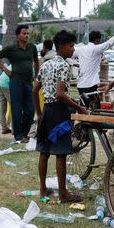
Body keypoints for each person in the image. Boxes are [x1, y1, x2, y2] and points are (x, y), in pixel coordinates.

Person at [34, 30, 87, 204]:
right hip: (59, 112)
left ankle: (43, 189)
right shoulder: (64, 66)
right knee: (61, 153)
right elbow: (60, 94)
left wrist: (39, 113)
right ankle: (63, 194)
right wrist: (79, 107)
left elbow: (35, 90)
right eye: (71, 45)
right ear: (62, 46)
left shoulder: (46, 64)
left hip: (47, 110)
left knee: (44, 151)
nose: (73, 49)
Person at [0, 25, 39, 143]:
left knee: (30, 109)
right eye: (24, 33)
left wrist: (37, 76)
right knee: (17, 109)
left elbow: (36, 61)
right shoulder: (11, 49)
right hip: (16, 82)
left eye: (28, 33)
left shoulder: (32, 47)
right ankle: (19, 136)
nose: (27, 35)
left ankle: (24, 132)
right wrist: (6, 70)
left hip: (28, 82)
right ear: (18, 36)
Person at [73, 21, 114, 108]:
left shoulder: (80, 49)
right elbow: (109, 43)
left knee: (83, 108)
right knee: (94, 110)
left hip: (81, 85)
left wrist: (75, 64)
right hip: (91, 85)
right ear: (97, 40)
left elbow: (69, 56)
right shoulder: (96, 49)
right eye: (100, 40)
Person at [0, 63, 12, 134]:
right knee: (15, 106)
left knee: (2, 106)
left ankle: (4, 128)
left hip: (0, 83)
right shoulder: (21, 65)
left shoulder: (11, 65)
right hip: (6, 85)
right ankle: (15, 129)